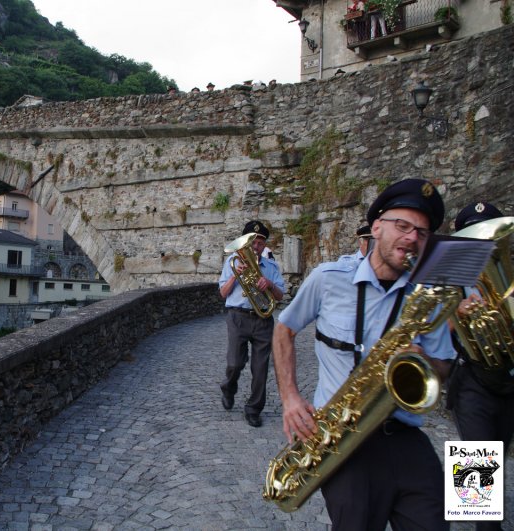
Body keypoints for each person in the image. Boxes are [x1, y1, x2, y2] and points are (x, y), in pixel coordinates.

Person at [272, 178, 454, 530]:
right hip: (346, 441)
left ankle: (486, 519)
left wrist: (423, 358)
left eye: (422, 232)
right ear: (376, 228)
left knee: (460, 498)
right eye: (403, 226)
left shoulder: (430, 293)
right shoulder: (328, 278)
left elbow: (444, 363)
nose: (412, 238)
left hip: (408, 434)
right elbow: (285, 327)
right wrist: (290, 398)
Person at [447, 201, 514, 531]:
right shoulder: (451, 279)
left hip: (508, 379)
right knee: (476, 473)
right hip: (472, 380)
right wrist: (456, 315)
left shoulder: (507, 274)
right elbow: (431, 330)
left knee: (498, 453)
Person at [219, 220, 285, 427]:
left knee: (260, 369)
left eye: (260, 243)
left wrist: (270, 284)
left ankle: (254, 409)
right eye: (253, 243)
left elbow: (280, 295)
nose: (256, 247)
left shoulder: (271, 266)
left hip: (263, 319)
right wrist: (236, 275)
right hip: (237, 317)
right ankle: (229, 388)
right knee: (235, 363)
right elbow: (223, 293)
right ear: (244, 243)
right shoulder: (232, 262)